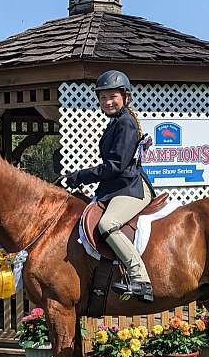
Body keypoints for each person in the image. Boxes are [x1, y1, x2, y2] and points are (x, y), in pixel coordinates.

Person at [62, 70, 155, 301]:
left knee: (108, 224)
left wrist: (81, 175)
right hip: (116, 188)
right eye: (103, 98)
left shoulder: (126, 123)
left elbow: (115, 166)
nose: (107, 102)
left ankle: (139, 278)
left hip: (131, 189)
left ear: (125, 96)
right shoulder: (116, 122)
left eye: (112, 96)